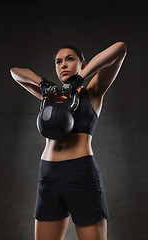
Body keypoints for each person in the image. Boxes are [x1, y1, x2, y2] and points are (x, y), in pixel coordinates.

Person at [10, 42, 127, 240]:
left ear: (83, 64)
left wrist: (81, 77)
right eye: (58, 61)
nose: (63, 65)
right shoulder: (48, 97)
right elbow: (15, 72)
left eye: (70, 59)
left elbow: (119, 49)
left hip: (80, 173)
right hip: (49, 176)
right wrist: (42, 83)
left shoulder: (93, 93)